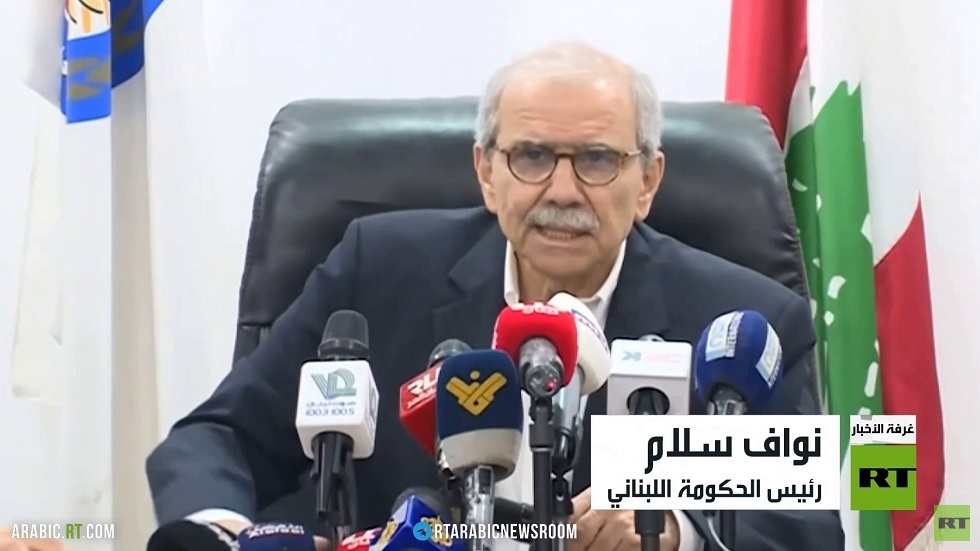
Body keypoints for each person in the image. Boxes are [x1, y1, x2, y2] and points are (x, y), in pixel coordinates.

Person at [143, 41, 844, 551]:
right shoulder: (378, 269)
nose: (563, 191)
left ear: (648, 183)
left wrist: (678, 532)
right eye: (532, 156)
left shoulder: (739, 326)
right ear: (486, 172)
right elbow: (220, 438)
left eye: (597, 160)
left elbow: (806, 530)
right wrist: (222, 533)